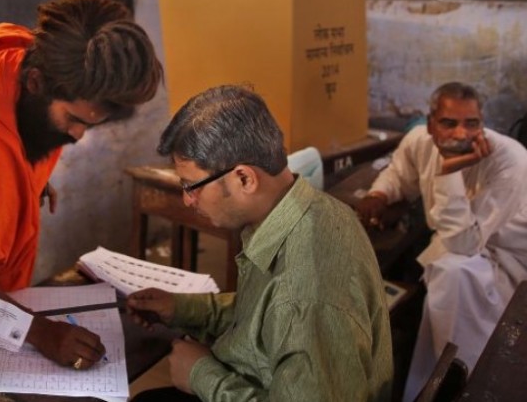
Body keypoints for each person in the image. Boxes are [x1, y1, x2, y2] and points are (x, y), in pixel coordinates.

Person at [0, 0, 163, 400]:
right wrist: (40, 332)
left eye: (90, 125)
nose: (77, 136)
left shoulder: (17, 46)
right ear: (37, 83)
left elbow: (7, 139)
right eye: (73, 119)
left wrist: (27, 179)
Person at [127, 85, 393, 402]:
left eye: (191, 186)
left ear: (244, 178)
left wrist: (201, 375)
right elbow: (262, 317)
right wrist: (182, 309)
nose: (187, 200)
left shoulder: (303, 295)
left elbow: (287, 311)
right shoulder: (318, 209)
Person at [356, 82, 527, 400]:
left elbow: (466, 244)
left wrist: (449, 171)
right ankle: (434, 381)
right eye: (449, 123)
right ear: (430, 123)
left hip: (507, 264)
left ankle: (461, 385)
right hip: (461, 248)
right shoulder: (419, 141)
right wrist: (379, 194)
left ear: (482, 122)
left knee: (452, 272)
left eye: (471, 123)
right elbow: (399, 174)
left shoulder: (510, 162)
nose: (461, 134)